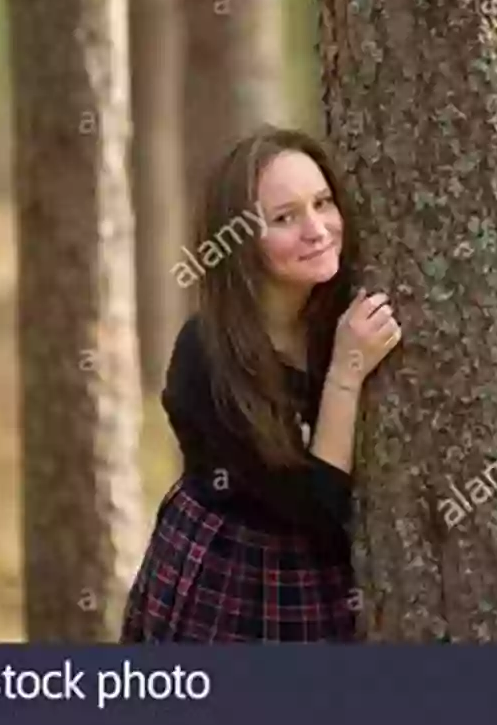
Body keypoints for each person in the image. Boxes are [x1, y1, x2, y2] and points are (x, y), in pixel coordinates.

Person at [120, 127, 402, 643]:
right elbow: (316, 512)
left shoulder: (337, 316)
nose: (317, 229)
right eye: (284, 218)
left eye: (323, 203)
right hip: (233, 580)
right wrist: (347, 371)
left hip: (332, 588)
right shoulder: (206, 357)